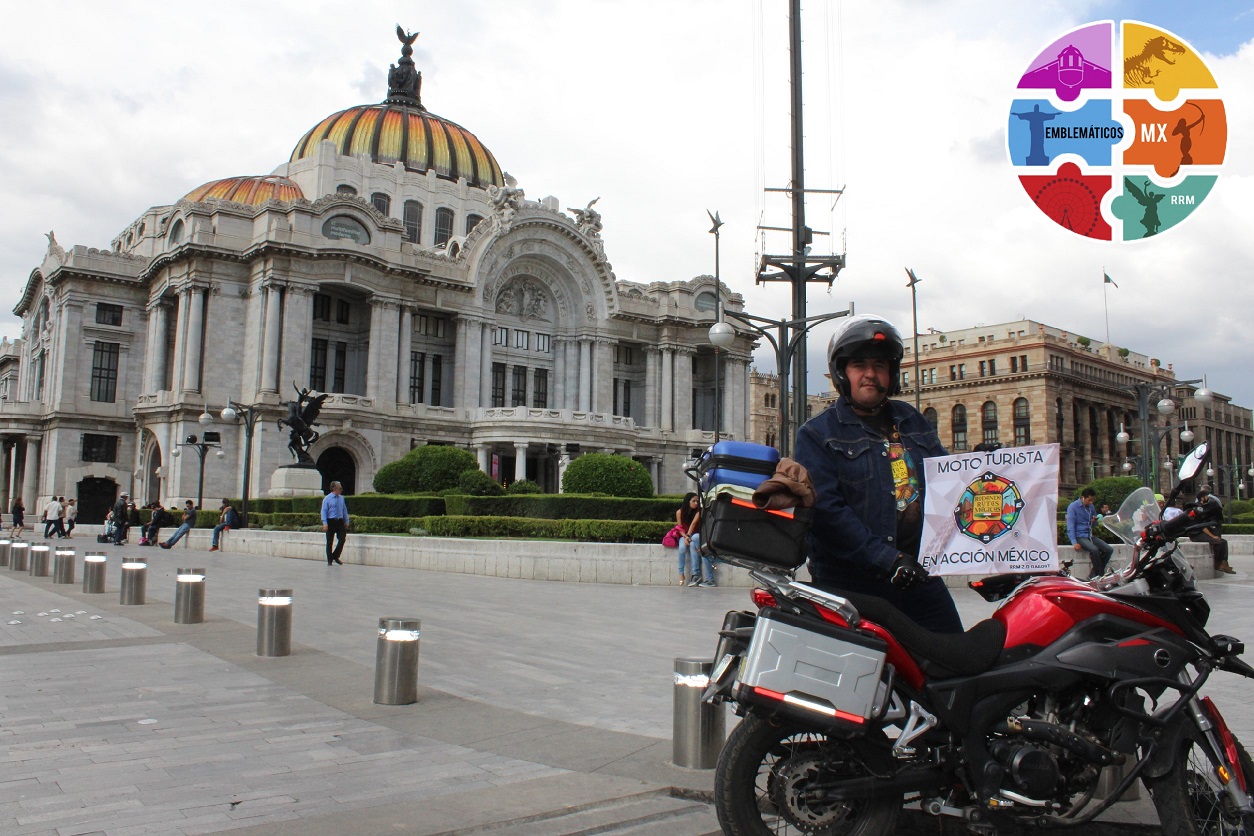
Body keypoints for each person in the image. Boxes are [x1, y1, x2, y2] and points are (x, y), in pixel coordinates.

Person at [794, 314, 963, 634]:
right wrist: (889, 559)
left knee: (956, 661)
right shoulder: (818, 433)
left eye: (880, 365)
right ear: (842, 373)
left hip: (917, 575)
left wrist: (988, 559)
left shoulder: (911, 420)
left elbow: (951, 484)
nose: (871, 374)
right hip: (852, 586)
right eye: (859, 365)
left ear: (893, 373)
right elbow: (828, 513)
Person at [1066, 488, 1113, 579]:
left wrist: (1094, 521)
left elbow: (1094, 524)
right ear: (1083, 498)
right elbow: (1070, 525)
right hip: (1079, 536)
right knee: (1094, 550)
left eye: (1092, 500)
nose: (1091, 502)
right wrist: (1074, 542)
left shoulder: (1091, 507)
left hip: (1089, 535)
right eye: (1089, 500)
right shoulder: (1073, 507)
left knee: (1108, 549)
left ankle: (1094, 572)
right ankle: (1100, 574)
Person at [1193, 485, 1234, 575]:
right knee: (1218, 542)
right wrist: (1213, 536)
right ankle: (1217, 563)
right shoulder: (1198, 509)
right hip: (1197, 534)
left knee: (1224, 542)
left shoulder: (1207, 507)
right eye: (1206, 496)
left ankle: (1224, 563)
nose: (1208, 498)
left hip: (1204, 532)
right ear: (1202, 498)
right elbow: (1201, 526)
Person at [321, 481, 350, 565]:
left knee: (342, 539)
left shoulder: (341, 498)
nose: (341, 490)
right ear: (334, 489)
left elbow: (344, 510)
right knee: (330, 541)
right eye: (340, 488)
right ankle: (330, 560)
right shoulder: (327, 499)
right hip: (331, 521)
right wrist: (325, 523)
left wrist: (346, 520)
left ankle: (335, 555)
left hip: (340, 521)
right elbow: (324, 511)